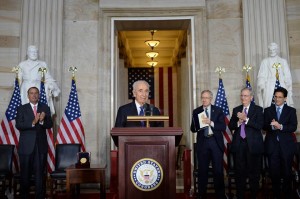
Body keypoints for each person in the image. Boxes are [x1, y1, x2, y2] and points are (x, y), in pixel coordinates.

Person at [15, 87, 53, 199]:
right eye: (31, 93)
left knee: (40, 174)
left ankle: (40, 196)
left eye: (36, 93)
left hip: (40, 146)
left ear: (39, 95)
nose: (34, 95)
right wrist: (33, 122)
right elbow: (19, 125)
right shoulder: (21, 108)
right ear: (28, 95)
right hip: (26, 147)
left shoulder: (45, 107)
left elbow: (50, 124)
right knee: (25, 175)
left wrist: (41, 121)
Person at [190, 90, 227, 199]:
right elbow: (192, 129)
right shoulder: (196, 111)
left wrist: (210, 122)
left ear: (211, 99)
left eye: (206, 97)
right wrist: (198, 124)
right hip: (203, 143)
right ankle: (201, 194)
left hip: (215, 142)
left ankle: (220, 195)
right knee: (202, 170)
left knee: (218, 170)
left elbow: (222, 127)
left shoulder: (218, 110)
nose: (204, 99)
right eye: (202, 97)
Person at [228, 87, 264, 199]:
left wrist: (246, 119)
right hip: (239, 146)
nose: (243, 97)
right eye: (242, 95)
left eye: (246, 95)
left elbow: (260, 126)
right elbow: (231, 126)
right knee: (240, 174)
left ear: (251, 97)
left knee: (254, 174)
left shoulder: (258, 109)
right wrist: (238, 122)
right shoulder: (236, 109)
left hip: (253, 146)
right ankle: (240, 196)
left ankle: (253, 196)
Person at [263, 87, 297, 199]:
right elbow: (264, 126)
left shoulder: (291, 111)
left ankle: (287, 194)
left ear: (285, 98)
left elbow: (293, 127)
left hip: (286, 147)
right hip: (272, 147)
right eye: (275, 97)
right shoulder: (268, 110)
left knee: (287, 173)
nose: (277, 99)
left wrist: (280, 126)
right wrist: (272, 127)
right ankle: (277, 195)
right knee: (274, 174)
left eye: (280, 97)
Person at [18, 45, 60, 115]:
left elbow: (48, 77)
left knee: (40, 109)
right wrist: (16, 88)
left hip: (38, 87)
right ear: (28, 53)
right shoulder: (22, 64)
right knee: (26, 109)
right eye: (32, 52)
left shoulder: (42, 64)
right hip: (26, 88)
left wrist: (51, 85)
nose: (34, 53)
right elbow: (18, 79)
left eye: (36, 52)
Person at [257, 42, 293, 108]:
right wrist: (261, 83)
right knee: (269, 107)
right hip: (269, 86)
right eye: (270, 50)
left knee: (285, 106)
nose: (272, 51)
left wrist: (288, 84)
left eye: (273, 49)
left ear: (277, 50)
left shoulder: (283, 61)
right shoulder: (265, 61)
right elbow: (261, 75)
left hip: (282, 85)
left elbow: (287, 75)